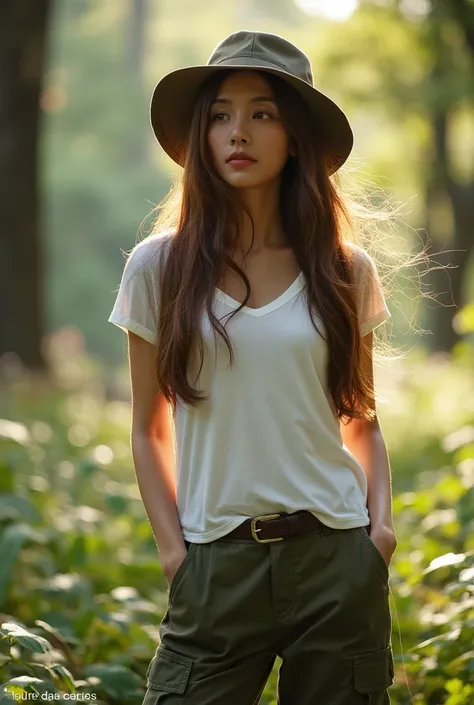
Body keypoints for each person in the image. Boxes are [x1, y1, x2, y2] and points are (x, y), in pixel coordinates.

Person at [108, 29, 397, 705]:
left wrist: (377, 535)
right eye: (220, 115)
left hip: (336, 558)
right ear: (203, 138)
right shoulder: (159, 267)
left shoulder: (345, 271)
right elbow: (149, 429)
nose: (238, 131)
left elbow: (361, 416)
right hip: (215, 563)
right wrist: (177, 554)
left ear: (294, 134)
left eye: (262, 112)